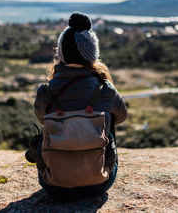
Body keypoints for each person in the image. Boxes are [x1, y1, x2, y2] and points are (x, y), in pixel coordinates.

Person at [26, 12, 127, 201]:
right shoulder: (105, 88)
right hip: (100, 183)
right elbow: (121, 117)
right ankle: (97, 166)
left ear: (61, 53)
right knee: (109, 126)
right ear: (92, 55)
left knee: (46, 130)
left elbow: (41, 118)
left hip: (54, 186)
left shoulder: (45, 91)